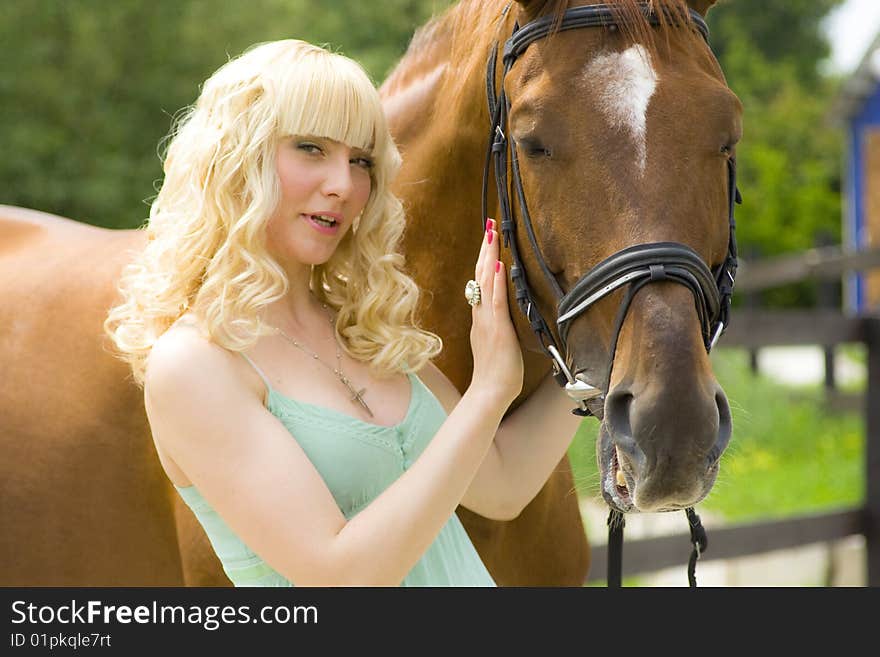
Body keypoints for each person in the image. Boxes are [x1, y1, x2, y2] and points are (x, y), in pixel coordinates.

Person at [105, 39, 582, 587]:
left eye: (360, 161)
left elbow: (501, 485)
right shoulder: (194, 364)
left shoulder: (364, 328)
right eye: (311, 148)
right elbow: (341, 574)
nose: (343, 185)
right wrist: (488, 391)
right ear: (236, 158)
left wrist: (592, 367)